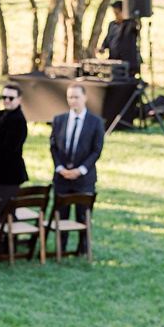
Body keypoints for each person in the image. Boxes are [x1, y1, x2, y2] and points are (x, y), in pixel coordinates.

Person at [49, 83, 104, 252]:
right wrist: (60, 168)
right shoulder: (59, 120)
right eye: (70, 97)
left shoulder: (96, 122)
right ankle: (61, 248)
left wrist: (80, 170)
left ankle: (83, 249)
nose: (73, 101)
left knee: (83, 215)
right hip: (62, 177)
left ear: (85, 97)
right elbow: (53, 146)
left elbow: (96, 150)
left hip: (84, 179)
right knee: (62, 214)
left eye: (76, 97)